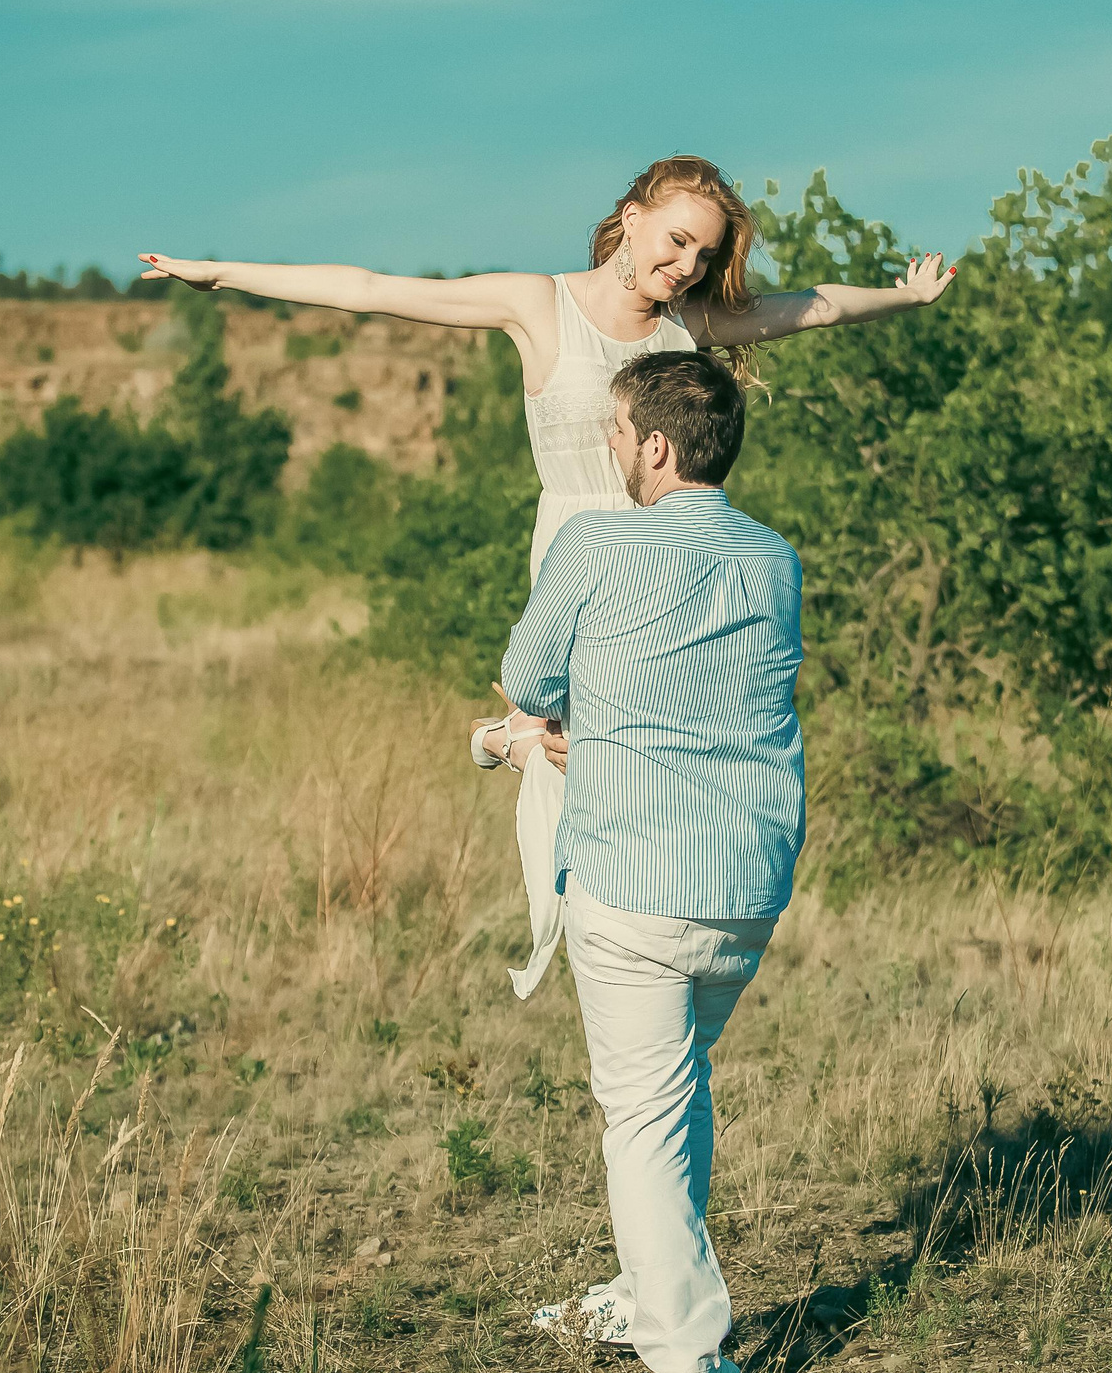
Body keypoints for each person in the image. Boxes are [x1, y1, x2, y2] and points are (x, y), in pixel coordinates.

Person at [138, 156, 954, 992]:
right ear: (632, 216)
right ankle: (535, 780)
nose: (686, 267)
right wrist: (224, 273)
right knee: (580, 757)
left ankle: (556, 804)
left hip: (672, 559)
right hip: (578, 553)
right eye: (676, 241)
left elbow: (806, 310)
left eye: (704, 256)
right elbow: (375, 287)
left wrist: (907, 296)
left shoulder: (691, 327)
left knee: (655, 756)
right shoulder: (541, 305)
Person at [496, 348, 801, 1373]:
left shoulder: (594, 541)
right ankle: (648, 1291)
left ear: (655, 445)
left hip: (635, 877)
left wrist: (576, 711)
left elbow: (525, 677)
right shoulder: (774, 559)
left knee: (641, 1116)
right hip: (747, 882)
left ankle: (688, 1368)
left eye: (616, 435)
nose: (611, 451)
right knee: (676, 1093)